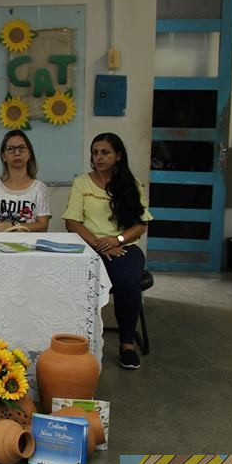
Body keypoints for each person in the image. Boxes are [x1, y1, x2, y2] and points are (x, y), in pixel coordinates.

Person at [62, 132, 153, 370]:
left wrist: (117, 240)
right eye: (95, 152)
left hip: (123, 247)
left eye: (105, 152)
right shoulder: (82, 182)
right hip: (89, 247)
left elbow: (141, 225)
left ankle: (126, 344)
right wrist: (98, 243)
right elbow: (72, 222)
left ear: (118, 155)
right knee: (69, 279)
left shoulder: (131, 184)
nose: (99, 157)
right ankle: (75, 340)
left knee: (126, 280)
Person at [0, 129, 51, 232]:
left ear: (29, 154)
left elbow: (43, 226)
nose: (17, 153)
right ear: (3, 156)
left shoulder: (39, 188)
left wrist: (13, 226)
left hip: (28, 245)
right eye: (10, 149)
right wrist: (0, 228)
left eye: (21, 148)